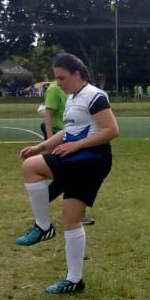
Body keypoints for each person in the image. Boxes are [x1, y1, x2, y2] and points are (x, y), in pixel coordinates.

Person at [14, 53, 118, 293]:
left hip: (92, 158)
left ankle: (42, 226)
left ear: (76, 74)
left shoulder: (94, 96)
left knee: (30, 168)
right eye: (56, 79)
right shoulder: (72, 98)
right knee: (71, 218)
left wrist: (77, 146)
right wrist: (41, 146)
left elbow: (112, 129)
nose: (58, 83)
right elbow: (69, 132)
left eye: (62, 78)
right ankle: (74, 280)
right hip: (81, 157)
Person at [41, 79, 95, 226]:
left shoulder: (78, 91)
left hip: (75, 136)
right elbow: (48, 115)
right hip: (61, 137)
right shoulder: (53, 89)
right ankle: (42, 204)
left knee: (74, 175)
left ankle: (44, 204)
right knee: (68, 176)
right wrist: (50, 141)